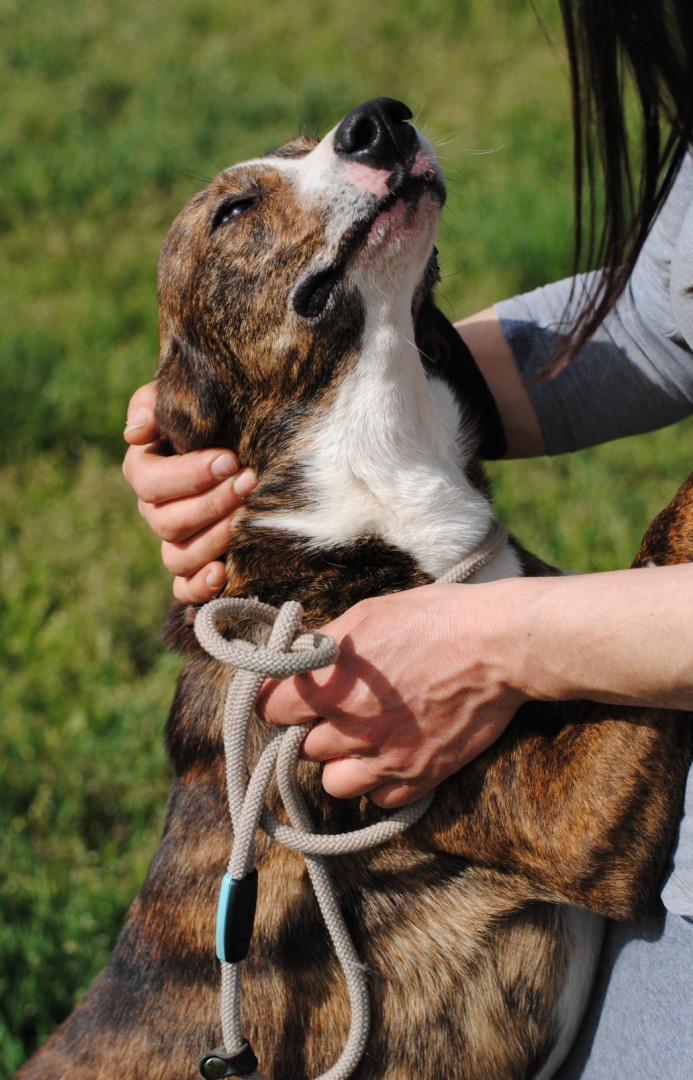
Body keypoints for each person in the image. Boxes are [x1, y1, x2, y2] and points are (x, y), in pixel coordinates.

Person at [122, 3, 693, 1075]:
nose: (359, 133)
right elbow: (666, 313)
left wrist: (499, 640)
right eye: (241, 206)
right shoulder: (307, 670)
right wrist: (198, 444)